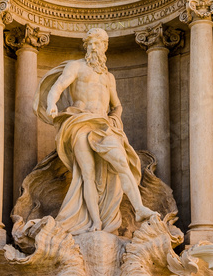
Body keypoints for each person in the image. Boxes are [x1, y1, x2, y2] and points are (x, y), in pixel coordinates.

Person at [37, 26, 156, 234]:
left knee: (122, 163)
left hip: (103, 125)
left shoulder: (109, 78)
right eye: (90, 44)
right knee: (87, 174)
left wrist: (115, 118)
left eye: (97, 44)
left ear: (104, 47)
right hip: (80, 122)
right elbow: (58, 86)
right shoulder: (76, 66)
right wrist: (51, 104)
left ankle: (139, 209)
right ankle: (95, 222)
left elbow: (117, 105)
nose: (93, 47)